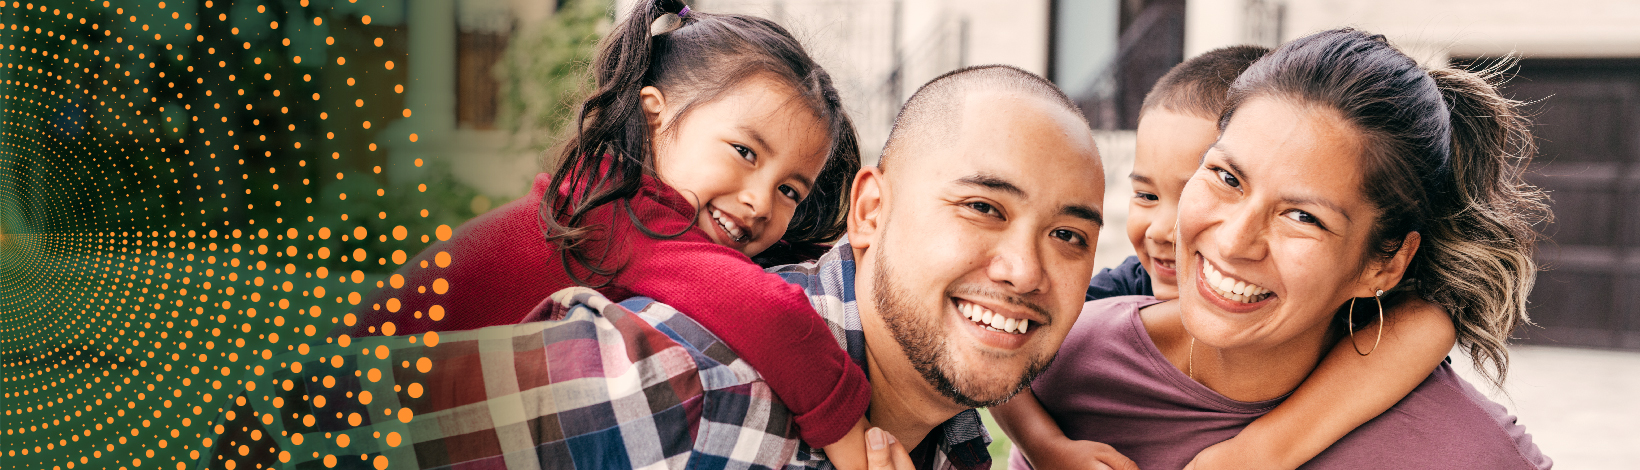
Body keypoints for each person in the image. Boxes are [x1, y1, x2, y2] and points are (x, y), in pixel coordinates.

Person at [199, 64, 1107, 470]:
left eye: (1071, 235)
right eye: (982, 207)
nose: (1026, 269)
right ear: (870, 211)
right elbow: (299, 425)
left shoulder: (955, 442)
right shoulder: (684, 377)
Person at [338, 0, 877, 463]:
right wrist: (856, 437)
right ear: (652, 117)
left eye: (790, 190)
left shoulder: (609, 200)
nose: (760, 200)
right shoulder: (626, 216)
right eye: (744, 152)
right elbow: (773, 313)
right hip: (345, 423)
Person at [988, 29, 1551, 469]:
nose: (1234, 241)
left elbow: (1429, 322)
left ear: (1385, 263)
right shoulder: (1075, 355)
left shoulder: (1468, 451)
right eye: (1227, 178)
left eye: (1303, 216)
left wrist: (1262, 451)